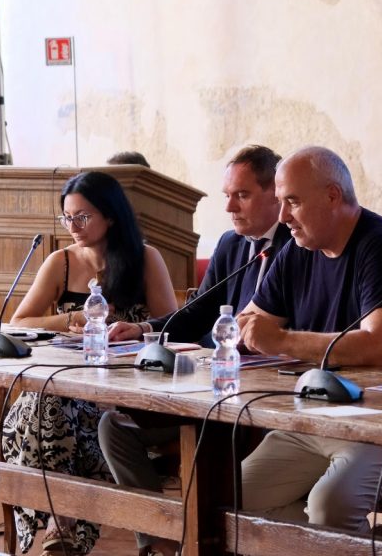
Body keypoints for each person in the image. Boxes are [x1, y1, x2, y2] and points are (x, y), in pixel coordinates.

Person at [237, 145, 382, 533]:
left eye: (292, 202)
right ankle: (367, 544)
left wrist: (280, 340)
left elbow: (380, 347)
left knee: (329, 506)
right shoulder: (298, 247)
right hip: (314, 417)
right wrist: (250, 332)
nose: (283, 217)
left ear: (333, 196)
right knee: (231, 497)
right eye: (281, 203)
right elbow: (250, 321)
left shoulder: (380, 244)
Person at [98, 144, 289, 556]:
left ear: (276, 193)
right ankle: (161, 546)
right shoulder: (231, 244)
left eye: (241, 195)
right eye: (226, 195)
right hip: (214, 381)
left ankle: (209, 542)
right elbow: (201, 310)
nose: (230, 207)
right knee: (114, 427)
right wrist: (146, 328)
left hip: (263, 390)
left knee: (209, 437)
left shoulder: (300, 243)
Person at [1, 171, 177, 556]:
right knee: (44, 401)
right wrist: (72, 320)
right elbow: (18, 322)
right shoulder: (60, 262)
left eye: (83, 216)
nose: (73, 226)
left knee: (46, 405)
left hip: (123, 395)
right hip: (66, 385)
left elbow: (173, 329)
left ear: (110, 216)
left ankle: (61, 524)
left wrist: (136, 329)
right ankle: (61, 522)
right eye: (67, 217)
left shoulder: (146, 258)